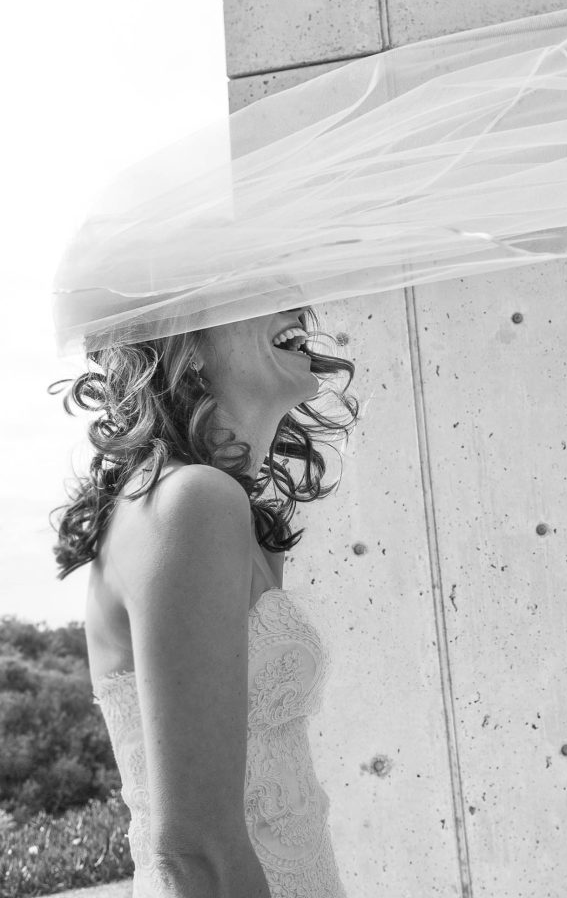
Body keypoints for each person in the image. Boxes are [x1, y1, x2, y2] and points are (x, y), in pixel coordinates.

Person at [53, 308, 357, 898]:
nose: (298, 304)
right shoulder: (192, 502)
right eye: (256, 288)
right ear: (186, 345)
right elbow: (194, 855)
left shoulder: (229, 515)